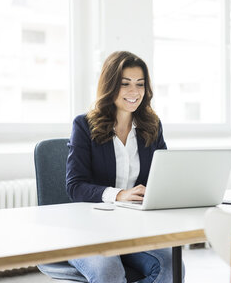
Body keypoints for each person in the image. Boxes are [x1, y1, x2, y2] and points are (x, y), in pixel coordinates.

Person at [65, 51, 181, 283]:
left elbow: (163, 177)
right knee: (110, 272)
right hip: (91, 230)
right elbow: (75, 186)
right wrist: (120, 195)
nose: (134, 92)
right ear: (110, 86)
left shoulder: (152, 126)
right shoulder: (84, 125)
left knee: (172, 267)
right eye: (125, 84)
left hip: (135, 228)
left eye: (140, 84)